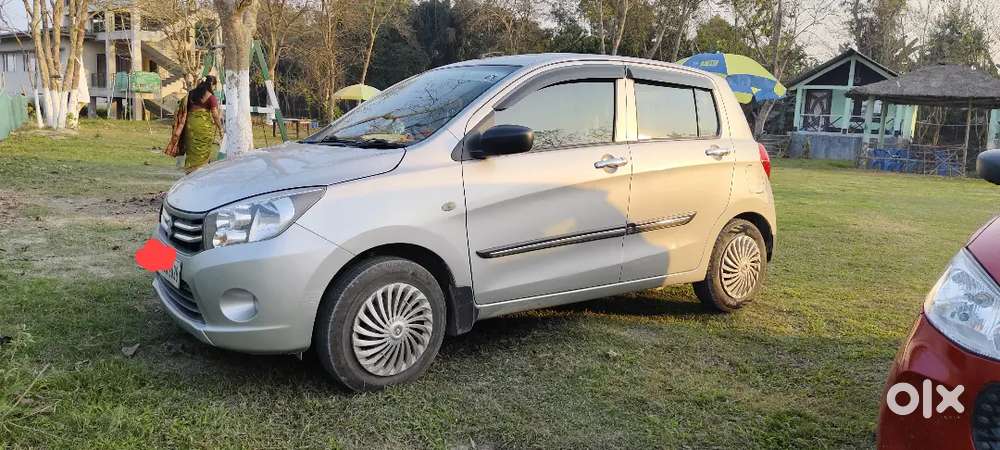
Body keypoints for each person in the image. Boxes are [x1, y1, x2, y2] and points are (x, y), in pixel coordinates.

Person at [164, 76, 223, 173]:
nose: (214, 88)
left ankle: (190, 171)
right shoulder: (211, 97)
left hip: (190, 126)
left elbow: (182, 108)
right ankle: (200, 172)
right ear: (212, 85)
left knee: (191, 149)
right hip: (203, 128)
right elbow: (215, 115)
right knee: (202, 151)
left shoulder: (190, 94)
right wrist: (220, 128)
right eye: (214, 86)